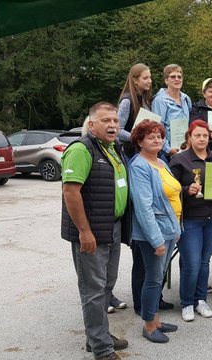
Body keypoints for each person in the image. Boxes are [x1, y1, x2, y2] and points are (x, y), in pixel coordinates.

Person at [61, 102, 130, 360]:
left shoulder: (113, 148)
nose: (112, 125)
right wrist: (84, 232)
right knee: (93, 290)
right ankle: (102, 350)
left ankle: (97, 337)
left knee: (106, 287)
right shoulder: (81, 149)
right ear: (91, 124)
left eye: (115, 120)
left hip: (111, 228)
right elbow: (70, 191)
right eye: (105, 121)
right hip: (91, 233)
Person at [169, 120, 212, 321]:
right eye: (197, 135)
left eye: (205, 135)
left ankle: (200, 299)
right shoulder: (179, 160)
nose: (201, 139)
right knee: (192, 262)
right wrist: (186, 190)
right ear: (189, 137)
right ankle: (187, 302)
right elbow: (170, 190)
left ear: (209, 138)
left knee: (204, 261)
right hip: (190, 218)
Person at [128, 120, 181, 344]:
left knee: (157, 279)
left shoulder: (161, 161)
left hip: (169, 230)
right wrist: (157, 240)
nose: (157, 140)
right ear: (140, 142)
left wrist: (175, 229)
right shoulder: (139, 166)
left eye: (159, 136)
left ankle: (156, 320)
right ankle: (149, 326)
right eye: (151, 137)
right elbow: (143, 207)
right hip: (154, 235)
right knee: (152, 279)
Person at [152, 64, 192, 160]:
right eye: (173, 77)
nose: (177, 79)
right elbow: (157, 127)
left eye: (179, 77)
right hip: (167, 153)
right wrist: (168, 150)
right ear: (166, 80)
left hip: (185, 149)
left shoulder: (186, 99)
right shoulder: (160, 100)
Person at [117, 63, 153, 159]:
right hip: (129, 153)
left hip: (145, 151)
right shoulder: (127, 101)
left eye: (150, 78)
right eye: (145, 78)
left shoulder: (147, 99)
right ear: (135, 80)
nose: (149, 81)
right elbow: (117, 129)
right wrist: (137, 137)